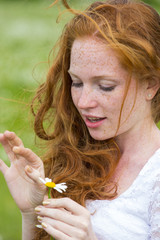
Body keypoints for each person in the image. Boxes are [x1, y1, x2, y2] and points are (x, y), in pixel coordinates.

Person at [0, 0, 160, 239]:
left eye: (105, 86)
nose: (84, 102)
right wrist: (31, 213)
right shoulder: (79, 154)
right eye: (76, 82)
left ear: (151, 84)